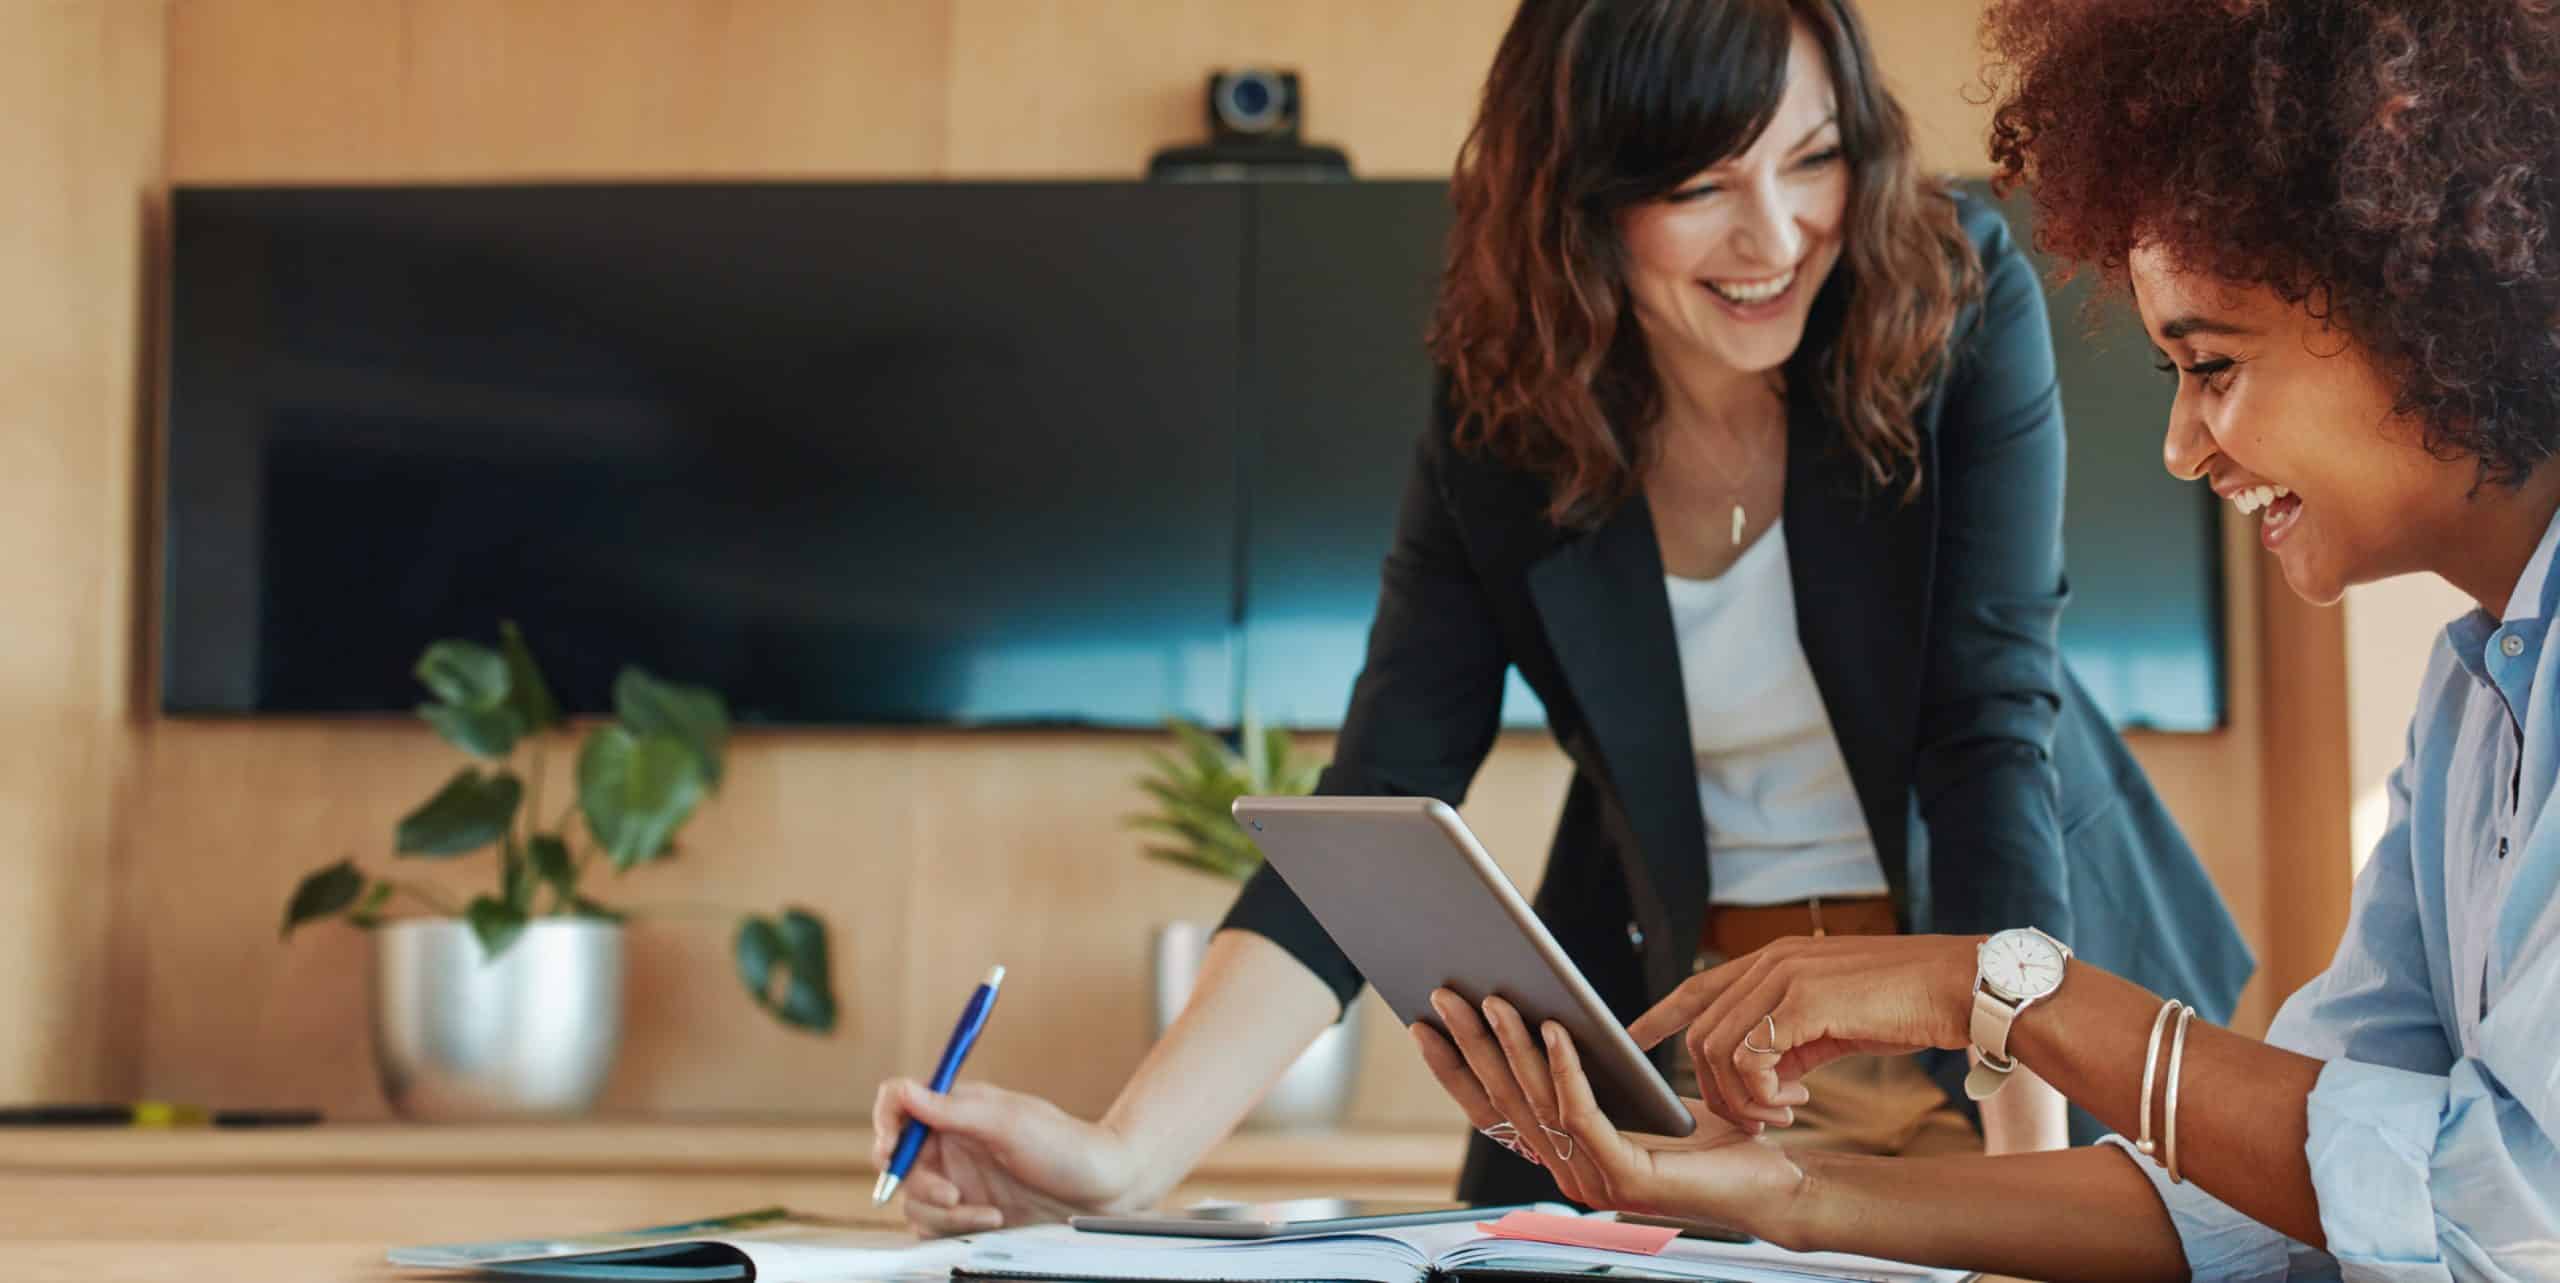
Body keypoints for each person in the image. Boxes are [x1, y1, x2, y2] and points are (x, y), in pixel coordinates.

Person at [871, 0, 2249, 1233]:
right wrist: (1118, 1157)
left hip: (2010, 1025)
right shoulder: (1508, 412)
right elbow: (1379, 796)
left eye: (1812, 156)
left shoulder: (1950, 295)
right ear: (1584, 198)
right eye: (1702, 183)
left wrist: (2027, 1183)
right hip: (1709, 1062)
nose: (1774, 234)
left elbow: (1987, 728)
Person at [1416, 2, 2560, 1279]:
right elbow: (2294, 1191)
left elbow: (2495, 1200)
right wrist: (1778, 1192)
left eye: (2212, 364)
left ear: (2430, 307)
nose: (2181, 447)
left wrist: (2008, 991)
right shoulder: (2474, 702)